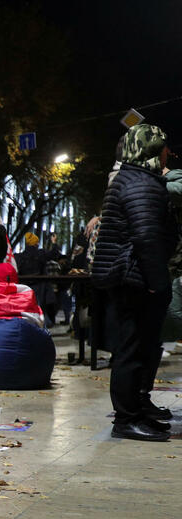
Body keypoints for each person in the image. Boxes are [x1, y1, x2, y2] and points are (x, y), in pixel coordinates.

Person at [92, 123, 177, 441]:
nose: (170, 152)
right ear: (152, 150)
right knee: (132, 349)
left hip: (133, 277)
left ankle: (136, 411)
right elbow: (146, 237)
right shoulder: (141, 183)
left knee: (139, 347)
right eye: (165, 146)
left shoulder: (132, 178)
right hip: (136, 279)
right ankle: (126, 419)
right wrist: (157, 282)